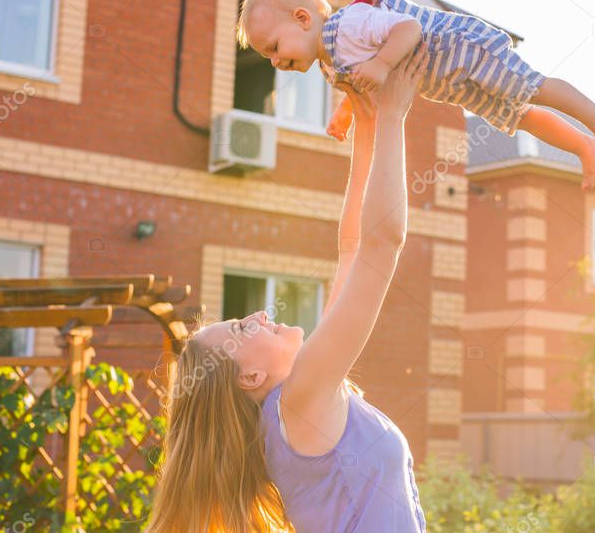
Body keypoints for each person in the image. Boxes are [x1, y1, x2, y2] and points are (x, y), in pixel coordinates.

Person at [145, 47, 429, 532]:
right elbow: (383, 244)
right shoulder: (299, 402)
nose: (256, 316)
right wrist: (393, 114)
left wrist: (366, 127)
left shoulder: (299, 405)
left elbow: (353, 246)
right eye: (239, 326)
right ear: (250, 378)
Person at [237, 0, 595, 191]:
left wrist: (383, 62)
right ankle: (582, 145)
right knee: (519, 117)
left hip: (461, 47)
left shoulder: (351, 23)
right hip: (450, 82)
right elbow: (359, 84)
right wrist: (345, 113)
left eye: (273, 47)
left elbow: (410, 29)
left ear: (303, 18)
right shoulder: (329, 61)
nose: (273, 61)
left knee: (530, 88)